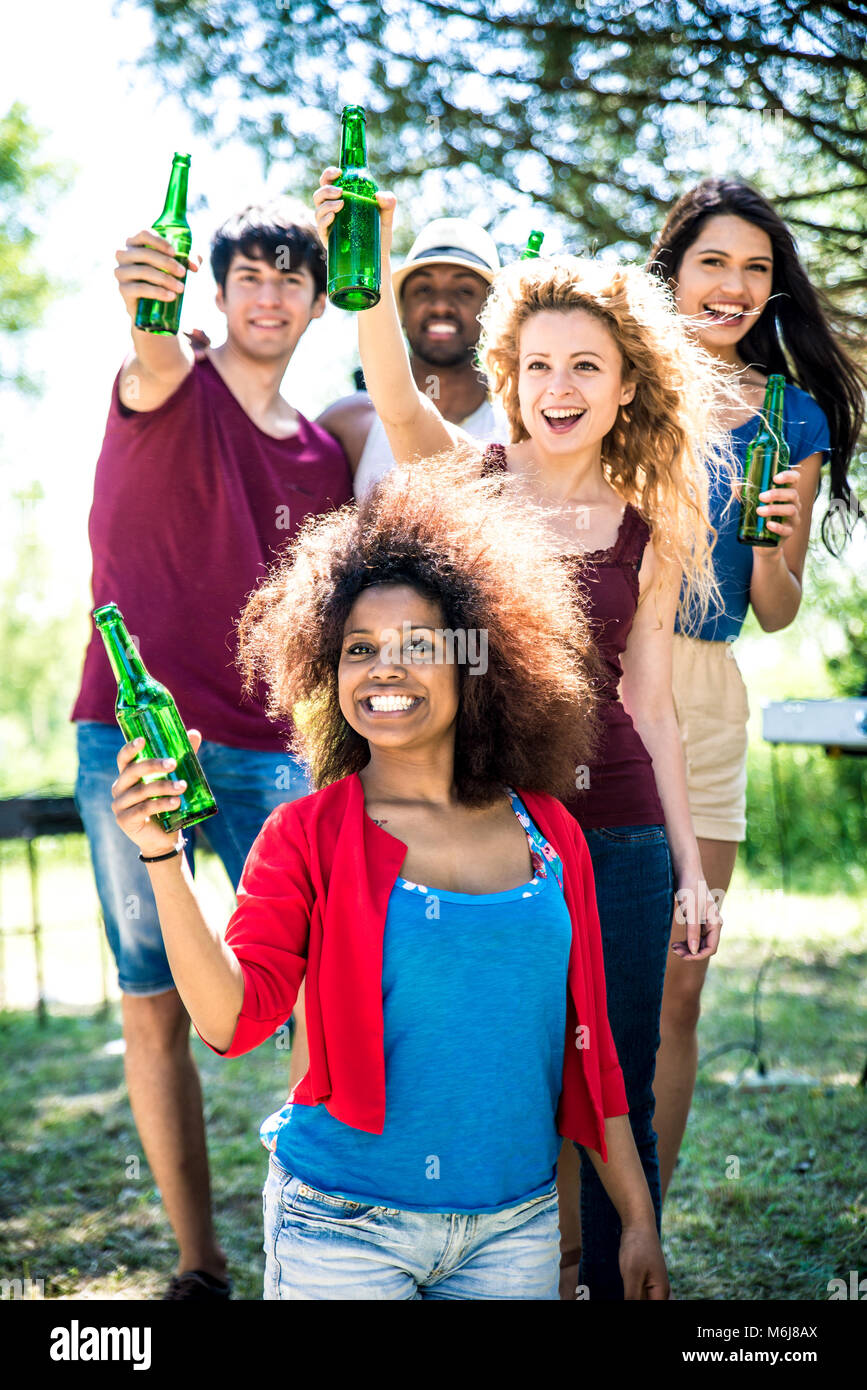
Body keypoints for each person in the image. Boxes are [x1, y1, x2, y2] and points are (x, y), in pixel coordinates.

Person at [107, 452, 670, 1301]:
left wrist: (633, 1219)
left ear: (477, 664)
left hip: (514, 1228)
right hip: (342, 1230)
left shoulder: (549, 831)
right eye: (359, 648)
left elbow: (590, 1047)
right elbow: (231, 1021)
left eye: (417, 646)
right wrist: (162, 858)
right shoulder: (304, 834)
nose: (384, 669)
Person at [313, 172, 734, 1299]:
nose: (559, 387)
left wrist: (694, 872)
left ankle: (618, 1273)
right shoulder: (474, 482)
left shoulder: (650, 525)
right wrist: (373, 267)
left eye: (586, 366)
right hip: (505, 841)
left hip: (628, 840)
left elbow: (652, 704)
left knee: (618, 1091)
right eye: (538, 364)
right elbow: (398, 401)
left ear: (624, 384)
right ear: (510, 377)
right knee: (512, 1080)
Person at [71, 197, 353, 1299]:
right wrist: (150, 285)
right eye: (250, 275)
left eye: (294, 275)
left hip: (275, 751)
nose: (271, 294)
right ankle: (200, 1263)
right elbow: (148, 337)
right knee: (153, 1000)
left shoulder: (326, 453)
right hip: (131, 740)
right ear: (219, 291)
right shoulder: (170, 382)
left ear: (318, 298)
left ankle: (320, 1243)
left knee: (312, 995)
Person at [645, 177, 866, 1202]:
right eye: (714, 262)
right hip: (599, 688)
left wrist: (777, 542)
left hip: (707, 698)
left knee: (676, 987)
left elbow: (775, 608)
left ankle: (639, 1232)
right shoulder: (622, 380)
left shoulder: (793, 415)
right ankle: (560, 1245)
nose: (734, 287)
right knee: (571, 991)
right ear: (674, 270)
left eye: (757, 269)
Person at [316, 217, 508, 491]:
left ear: (492, 311)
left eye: (464, 290)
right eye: (423, 289)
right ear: (400, 309)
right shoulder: (350, 425)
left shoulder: (523, 431)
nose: (441, 306)